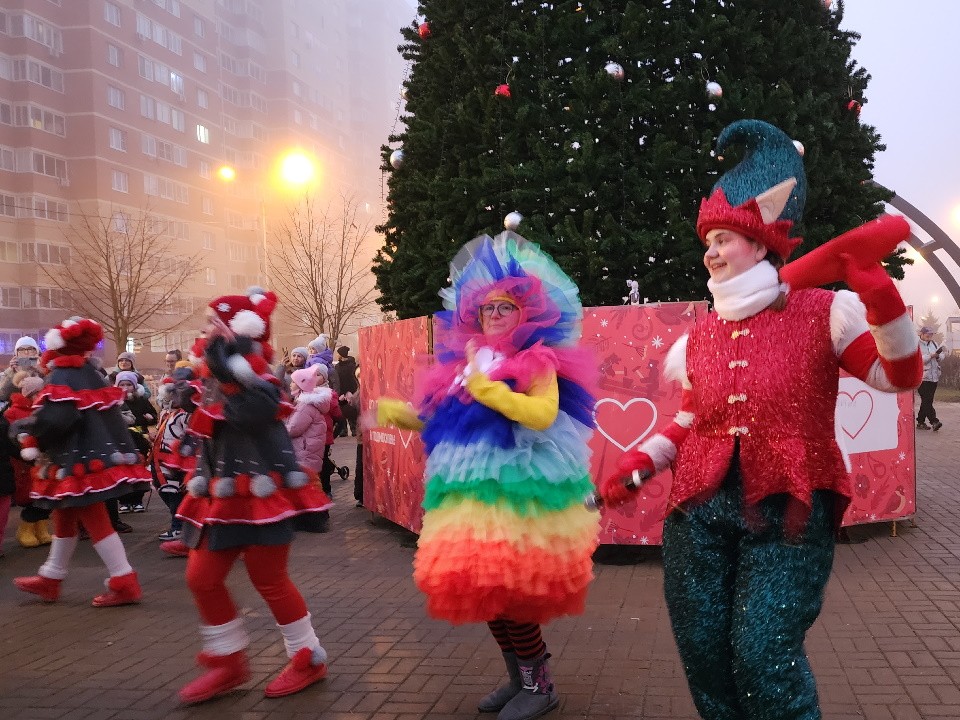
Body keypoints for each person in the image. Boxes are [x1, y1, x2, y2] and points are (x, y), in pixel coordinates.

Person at [597, 120, 923, 720]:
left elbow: (896, 378)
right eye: (708, 241)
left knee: (763, 657)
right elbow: (694, 417)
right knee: (706, 657)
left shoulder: (824, 311)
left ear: (761, 243)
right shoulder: (700, 335)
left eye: (723, 238)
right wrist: (645, 459)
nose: (711, 251)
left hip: (792, 512)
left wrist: (880, 296)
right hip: (699, 512)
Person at [376, 231, 598, 720]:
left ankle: (540, 685)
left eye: (504, 308)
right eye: (486, 309)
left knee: (511, 591)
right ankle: (519, 678)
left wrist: (490, 391)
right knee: (484, 590)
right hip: (467, 492)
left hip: (516, 489)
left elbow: (541, 415)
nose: (493, 316)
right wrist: (405, 415)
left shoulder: (538, 360)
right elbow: (442, 416)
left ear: (527, 313)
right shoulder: (466, 362)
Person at [174, 288, 333, 704]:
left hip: (263, 497)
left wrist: (231, 369)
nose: (205, 330)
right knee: (201, 578)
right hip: (221, 497)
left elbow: (255, 412)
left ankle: (307, 657)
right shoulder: (215, 377)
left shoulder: (257, 377)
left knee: (270, 581)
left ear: (233, 331)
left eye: (213, 323)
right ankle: (229, 662)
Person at [13, 317, 150, 606]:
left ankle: (124, 580)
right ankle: (51, 577)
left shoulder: (64, 373)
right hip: (85, 459)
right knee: (63, 516)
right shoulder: (88, 372)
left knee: (95, 520)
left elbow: (60, 417)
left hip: (76, 462)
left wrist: (30, 430)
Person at [5, 374, 52, 548]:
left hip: (45, 459)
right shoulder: (14, 412)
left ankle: (41, 528)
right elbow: (10, 437)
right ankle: (26, 529)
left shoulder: (45, 410)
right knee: (31, 497)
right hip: (25, 462)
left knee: (46, 496)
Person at [286, 367, 331, 533]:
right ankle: (314, 518)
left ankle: (316, 519)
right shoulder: (305, 403)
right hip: (307, 451)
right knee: (310, 485)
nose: (290, 385)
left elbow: (294, 428)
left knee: (307, 487)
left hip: (303, 452)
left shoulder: (305, 406)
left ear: (301, 386)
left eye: (293, 382)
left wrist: (280, 428)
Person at [917, 326, 943, 431]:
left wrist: (938, 356)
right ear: (922, 334)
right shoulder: (916, 345)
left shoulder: (934, 344)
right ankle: (934, 421)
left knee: (927, 401)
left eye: (931, 334)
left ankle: (920, 422)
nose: (929, 336)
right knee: (927, 400)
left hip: (934, 377)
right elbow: (918, 360)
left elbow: (941, 357)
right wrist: (930, 356)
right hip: (922, 378)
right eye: (927, 334)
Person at [334, 346, 359, 436]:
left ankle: (354, 429)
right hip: (341, 392)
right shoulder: (337, 366)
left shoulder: (352, 365)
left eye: (338, 353)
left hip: (351, 391)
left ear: (341, 355)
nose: (336, 355)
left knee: (352, 410)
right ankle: (343, 430)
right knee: (342, 411)